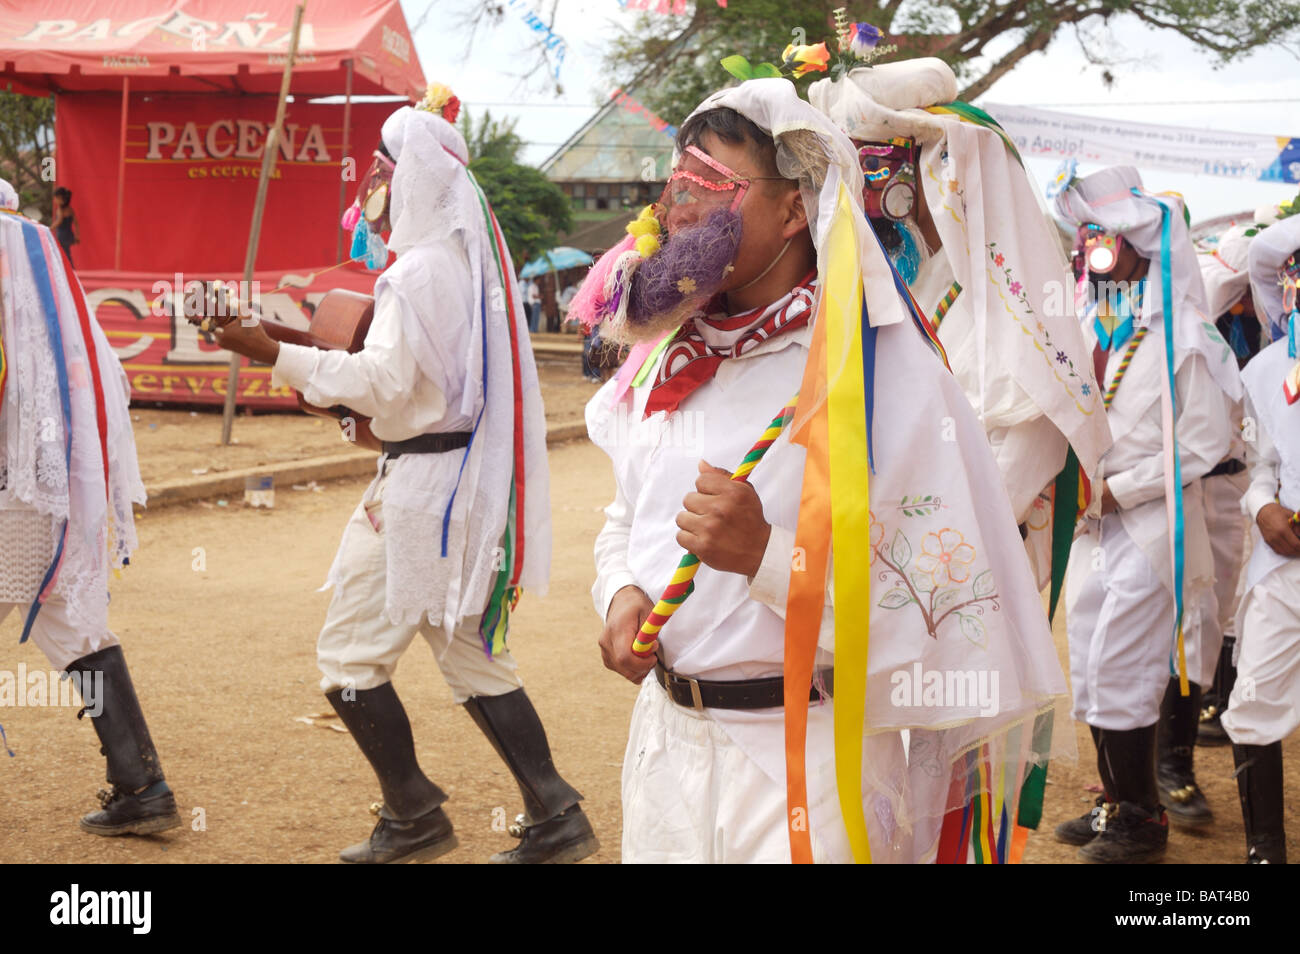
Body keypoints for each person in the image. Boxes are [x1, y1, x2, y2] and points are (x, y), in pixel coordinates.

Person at [578, 77, 1071, 864]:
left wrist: (767, 557)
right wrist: (621, 594)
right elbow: (622, 520)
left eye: (714, 186)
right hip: (665, 753)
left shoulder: (881, 378)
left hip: (805, 769)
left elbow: (937, 609)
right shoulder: (668, 356)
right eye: (677, 183)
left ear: (795, 207)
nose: (680, 208)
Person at [211, 85, 597, 865]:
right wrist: (289, 349)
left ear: (408, 180)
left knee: (350, 658)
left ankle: (415, 811)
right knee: (470, 654)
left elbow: (383, 386)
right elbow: (405, 383)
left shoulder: (415, 274)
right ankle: (554, 814)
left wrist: (271, 352)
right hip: (451, 486)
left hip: (419, 496)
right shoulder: (462, 264)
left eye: (379, 173)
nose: (369, 189)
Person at [809, 62, 1109, 582]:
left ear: (933, 171)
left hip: (953, 583)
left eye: (870, 166)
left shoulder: (1014, 312)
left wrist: (876, 571)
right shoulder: (895, 287)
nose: (852, 192)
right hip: (867, 580)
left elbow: (1001, 491)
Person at [1052, 166, 1240, 862]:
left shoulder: (1184, 334)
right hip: (1092, 525)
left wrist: (1118, 489)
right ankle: (1115, 801)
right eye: (1085, 236)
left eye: (1105, 236)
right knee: (1094, 664)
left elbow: (1204, 441)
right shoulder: (1084, 323)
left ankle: (1142, 818)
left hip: (1154, 525)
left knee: (1122, 664)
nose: (1092, 249)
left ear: (1140, 242)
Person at [0, 177, 177, 835]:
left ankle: (144, 787)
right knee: (72, 629)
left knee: (71, 628)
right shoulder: (44, 266)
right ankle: (142, 785)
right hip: (56, 484)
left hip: (12, 486)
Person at [1220, 209, 1300, 863]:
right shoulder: (1267, 369)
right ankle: (1264, 850)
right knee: (1252, 697)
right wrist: (1263, 507)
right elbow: (1259, 468)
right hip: (1285, 564)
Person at [51, 186, 78, 266]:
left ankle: (70, 269)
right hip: (69, 234)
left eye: (55, 198)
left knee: (63, 253)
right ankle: (70, 268)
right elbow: (76, 223)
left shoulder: (60, 210)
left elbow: (59, 221)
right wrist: (77, 235)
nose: (54, 200)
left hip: (62, 235)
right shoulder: (70, 209)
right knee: (66, 252)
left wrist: (50, 228)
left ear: (60, 198)